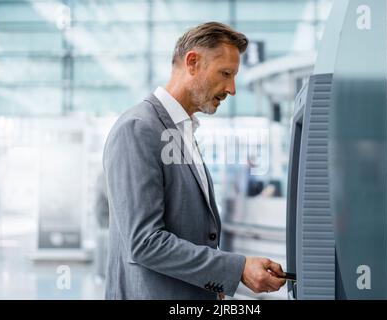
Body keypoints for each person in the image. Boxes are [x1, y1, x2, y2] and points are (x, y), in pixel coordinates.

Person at [103, 22, 286, 300]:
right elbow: (145, 243)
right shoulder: (139, 129)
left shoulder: (181, 130)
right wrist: (236, 269)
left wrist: (217, 280)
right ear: (192, 62)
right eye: (225, 73)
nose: (232, 88)